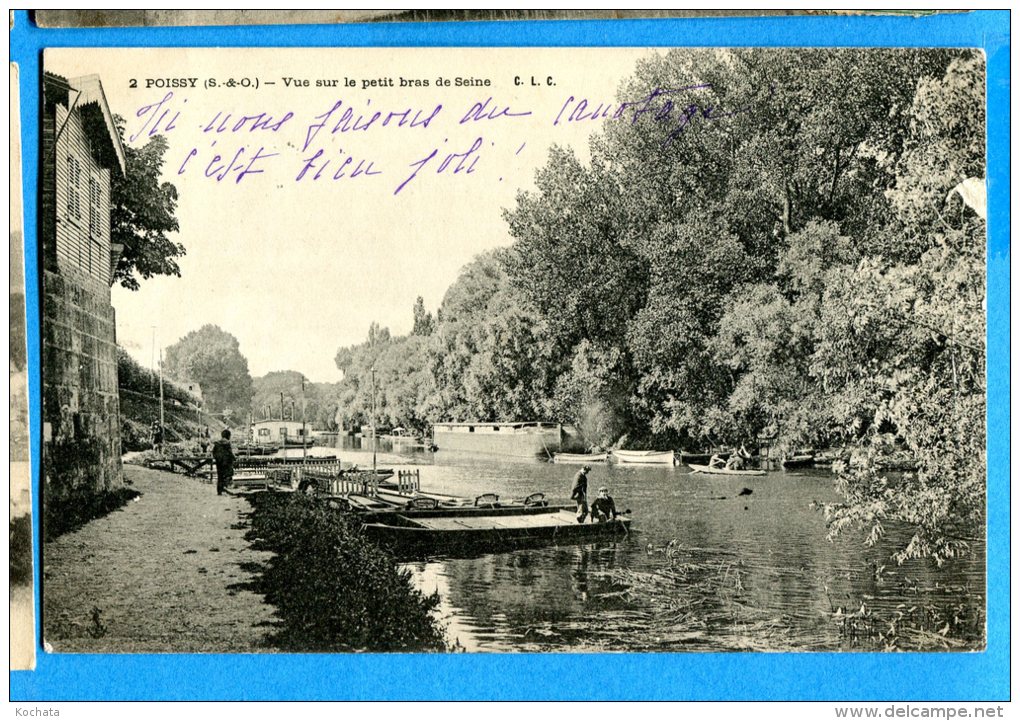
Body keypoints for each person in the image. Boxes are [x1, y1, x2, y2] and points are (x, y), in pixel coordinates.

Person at [212, 429, 235, 496]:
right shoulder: (228, 443)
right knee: (226, 475)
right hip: (226, 462)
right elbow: (230, 453)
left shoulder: (217, 443)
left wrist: (217, 458)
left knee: (220, 476)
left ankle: (219, 491)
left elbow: (214, 452)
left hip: (219, 462)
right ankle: (225, 489)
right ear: (228, 436)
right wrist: (233, 459)